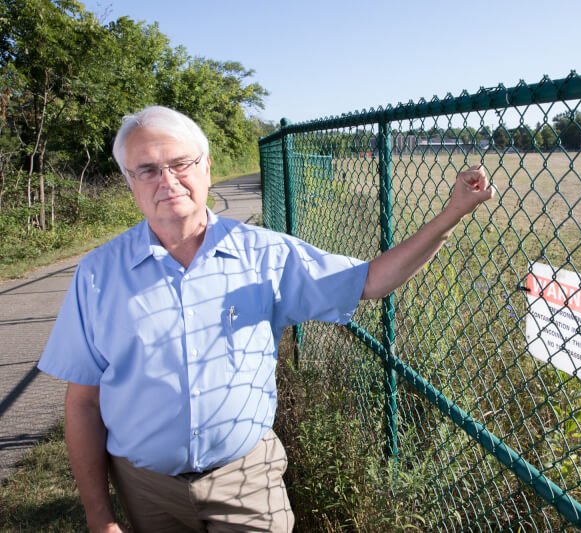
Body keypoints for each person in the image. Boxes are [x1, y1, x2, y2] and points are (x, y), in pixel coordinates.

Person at [37, 106, 494, 533]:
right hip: (146, 489)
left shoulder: (267, 256)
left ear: (207, 167)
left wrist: (451, 213)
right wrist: (100, 518)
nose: (168, 181)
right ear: (129, 181)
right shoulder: (98, 274)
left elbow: (370, 281)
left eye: (181, 164)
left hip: (247, 481)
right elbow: (84, 403)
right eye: (149, 170)